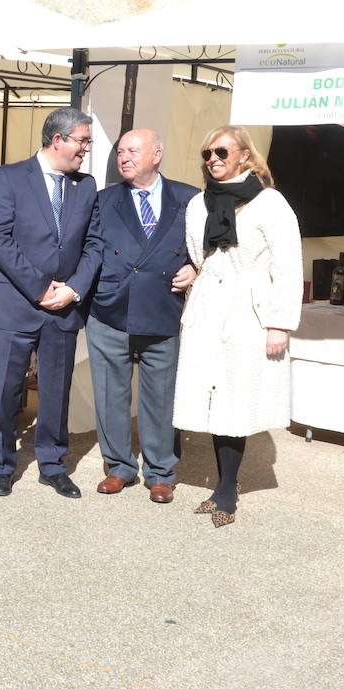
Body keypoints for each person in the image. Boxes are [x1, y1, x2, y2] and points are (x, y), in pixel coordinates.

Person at [172, 125, 302, 527]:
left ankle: (227, 488)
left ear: (245, 156)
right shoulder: (197, 204)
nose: (213, 159)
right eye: (208, 153)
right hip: (209, 303)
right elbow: (201, 255)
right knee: (211, 393)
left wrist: (279, 323)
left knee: (236, 394)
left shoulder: (270, 204)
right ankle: (223, 484)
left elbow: (289, 266)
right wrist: (193, 271)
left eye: (222, 153)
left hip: (249, 307)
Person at [0, 108, 104, 497]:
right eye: (82, 141)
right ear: (58, 140)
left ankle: (52, 464)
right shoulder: (9, 177)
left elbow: (94, 245)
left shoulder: (86, 186)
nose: (86, 149)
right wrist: (40, 288)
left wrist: (73, 289)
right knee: (4, 390)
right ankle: (3, 465)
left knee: (56, 390)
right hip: (14, 304)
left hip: (64, 309)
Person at [88, 129, 198, 504]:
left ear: (157, 154)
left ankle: (160, 472)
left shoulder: (189, 199)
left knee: (160, 397)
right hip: (110, 312)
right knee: (110, 394)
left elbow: (214, 248)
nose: (124, 157)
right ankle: (118, 467)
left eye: (133, 150)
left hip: (162, 312)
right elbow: (88, 250)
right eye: (120, 152)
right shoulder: (103, 200)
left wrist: (196, 270)